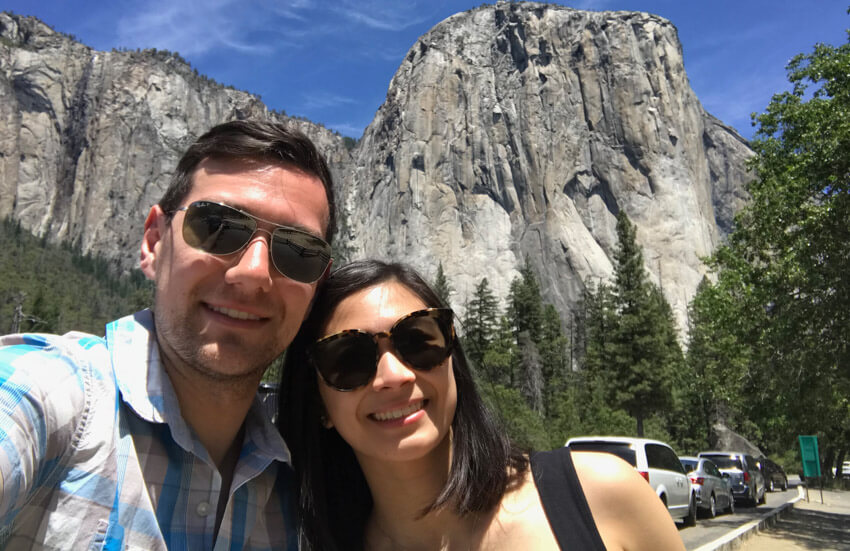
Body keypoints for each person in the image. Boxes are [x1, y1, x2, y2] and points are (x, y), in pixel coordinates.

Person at [0, 119, 335, 550]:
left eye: (298, 252)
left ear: (316, 289)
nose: (253, 274)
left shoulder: (299, 494)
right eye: (218, 226)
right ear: (154, 242)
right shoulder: (50, 393)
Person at [279, 259, 685, 551]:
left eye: (418, 342)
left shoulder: (599, 493)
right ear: (319, 403)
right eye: (348, 359)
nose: (395, 375)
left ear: (452, 358)